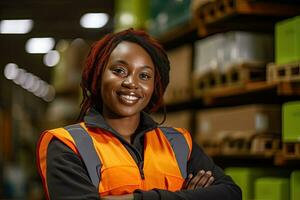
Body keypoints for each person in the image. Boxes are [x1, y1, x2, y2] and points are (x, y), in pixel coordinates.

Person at [36, 28, 241, 200]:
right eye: (119, 71)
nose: (132, 83)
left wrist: (134, 198)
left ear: (154, 86)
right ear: (98, 75)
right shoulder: (67, 145)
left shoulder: (178, 143)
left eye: (144, 75)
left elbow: (231, 193)